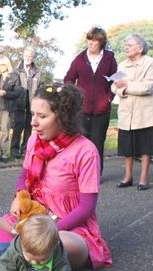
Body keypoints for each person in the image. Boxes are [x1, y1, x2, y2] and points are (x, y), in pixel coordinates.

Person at [0, 83, 112, 270]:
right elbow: (23, 176)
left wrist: (46, 232)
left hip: (65, 228)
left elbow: (86, 207)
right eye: (33, 114)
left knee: (68, 245)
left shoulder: (85, 150)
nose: (33, 122)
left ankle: (8, 256)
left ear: (64, 118)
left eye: (42, 116)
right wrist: (19, 196)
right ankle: (21, 258)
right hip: (30, 219)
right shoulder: (35, 140)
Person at [64, 27, 118, 175]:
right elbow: (68, 78)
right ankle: (80, 173)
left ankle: (95, 174)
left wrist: (109, 98)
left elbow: (116, 80)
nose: (90, 43)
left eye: (94, 41)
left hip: (102, 110)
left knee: (97, 144)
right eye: (89, 40)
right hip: (82, 109)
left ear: (101, 42)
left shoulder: (109, 58)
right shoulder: (80, 59)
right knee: (81, 143)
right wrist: (75, 97)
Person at [111, 34, 153, 191]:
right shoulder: (122, 65)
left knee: (145, 147)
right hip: (127, 112)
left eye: (130, 45)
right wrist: (123, 90)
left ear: (140, 48)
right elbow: (113, 87)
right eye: (126, 45)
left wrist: (126, 85)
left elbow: (148, 87)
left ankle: (143, 178)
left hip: (145, 113)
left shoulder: (151, 63)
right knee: (128, 148)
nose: (126, 47)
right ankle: (128, 176)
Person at [16, 47, 42, 156]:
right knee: (18, 126)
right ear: (23, 56)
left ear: (33, 57)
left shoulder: (37, 72)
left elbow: (41, 86)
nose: (28, 58)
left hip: (32, 103)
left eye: (30, 56)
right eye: (26, 56)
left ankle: (26, 147)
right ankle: (14, 149)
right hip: (19, 103)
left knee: (29, 126)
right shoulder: (17, 70)